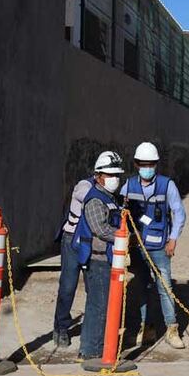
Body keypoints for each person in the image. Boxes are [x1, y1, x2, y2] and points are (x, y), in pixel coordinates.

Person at [122, 142, 186, 349]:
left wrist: (173, 238)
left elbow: (179, 213)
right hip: (137, 246)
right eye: (144, 164)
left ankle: (172, 329)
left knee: (165, 287)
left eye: (151, 164)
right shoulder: (128, 186)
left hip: (160, 246)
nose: (147, 168)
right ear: (137, 164)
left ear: (156, 164)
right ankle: (147, 328)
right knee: (142, 288)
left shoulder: (167, 185)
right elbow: (119, 212)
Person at [72, 151, 125, 360]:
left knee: (101, 304)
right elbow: (100, 229)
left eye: (117, 175)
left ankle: (96, 346)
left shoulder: (110, 197)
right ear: (98, 176)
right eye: (110, 175)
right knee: (98, 306)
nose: (115, 179)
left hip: (109, 259)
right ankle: (91, 350)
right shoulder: (95, 199)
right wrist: (123, 237)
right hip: (98, 260)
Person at [53, 177, 93, 348]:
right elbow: (89, 197)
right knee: (68, 286)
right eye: (108, 175)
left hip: (93, 241)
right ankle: (61, 327)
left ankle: (93, 328)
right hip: (72, 240)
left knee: (94, 287)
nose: (113, 179)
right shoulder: (85, 186)